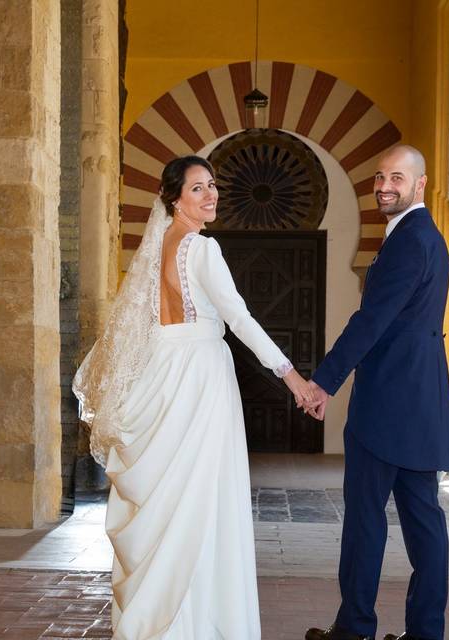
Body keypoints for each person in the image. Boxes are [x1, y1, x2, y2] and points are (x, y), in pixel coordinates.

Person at [72, 155, 313, 640]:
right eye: (198, 188)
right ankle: (199, 623)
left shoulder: (153, 251)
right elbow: (240, 319)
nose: (211, 196)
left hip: (161, 375)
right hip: (199, 376)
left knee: (172, 497)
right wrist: (292, 378)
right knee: (204, 496)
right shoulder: (202, 250)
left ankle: (162, 618)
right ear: (174, 198)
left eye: (213, 186)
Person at [303, 145, 449, 640]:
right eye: (379, 176)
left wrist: (325, 380)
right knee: (424, 522)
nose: (384, 185)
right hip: (422, 399)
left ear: (420, 183)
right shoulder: (425, 238)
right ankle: (426, 632)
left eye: (397, 177)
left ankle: (355, 628)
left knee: (367, 519)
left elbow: (372, 320)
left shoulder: (410, 240)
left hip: (389, 402)